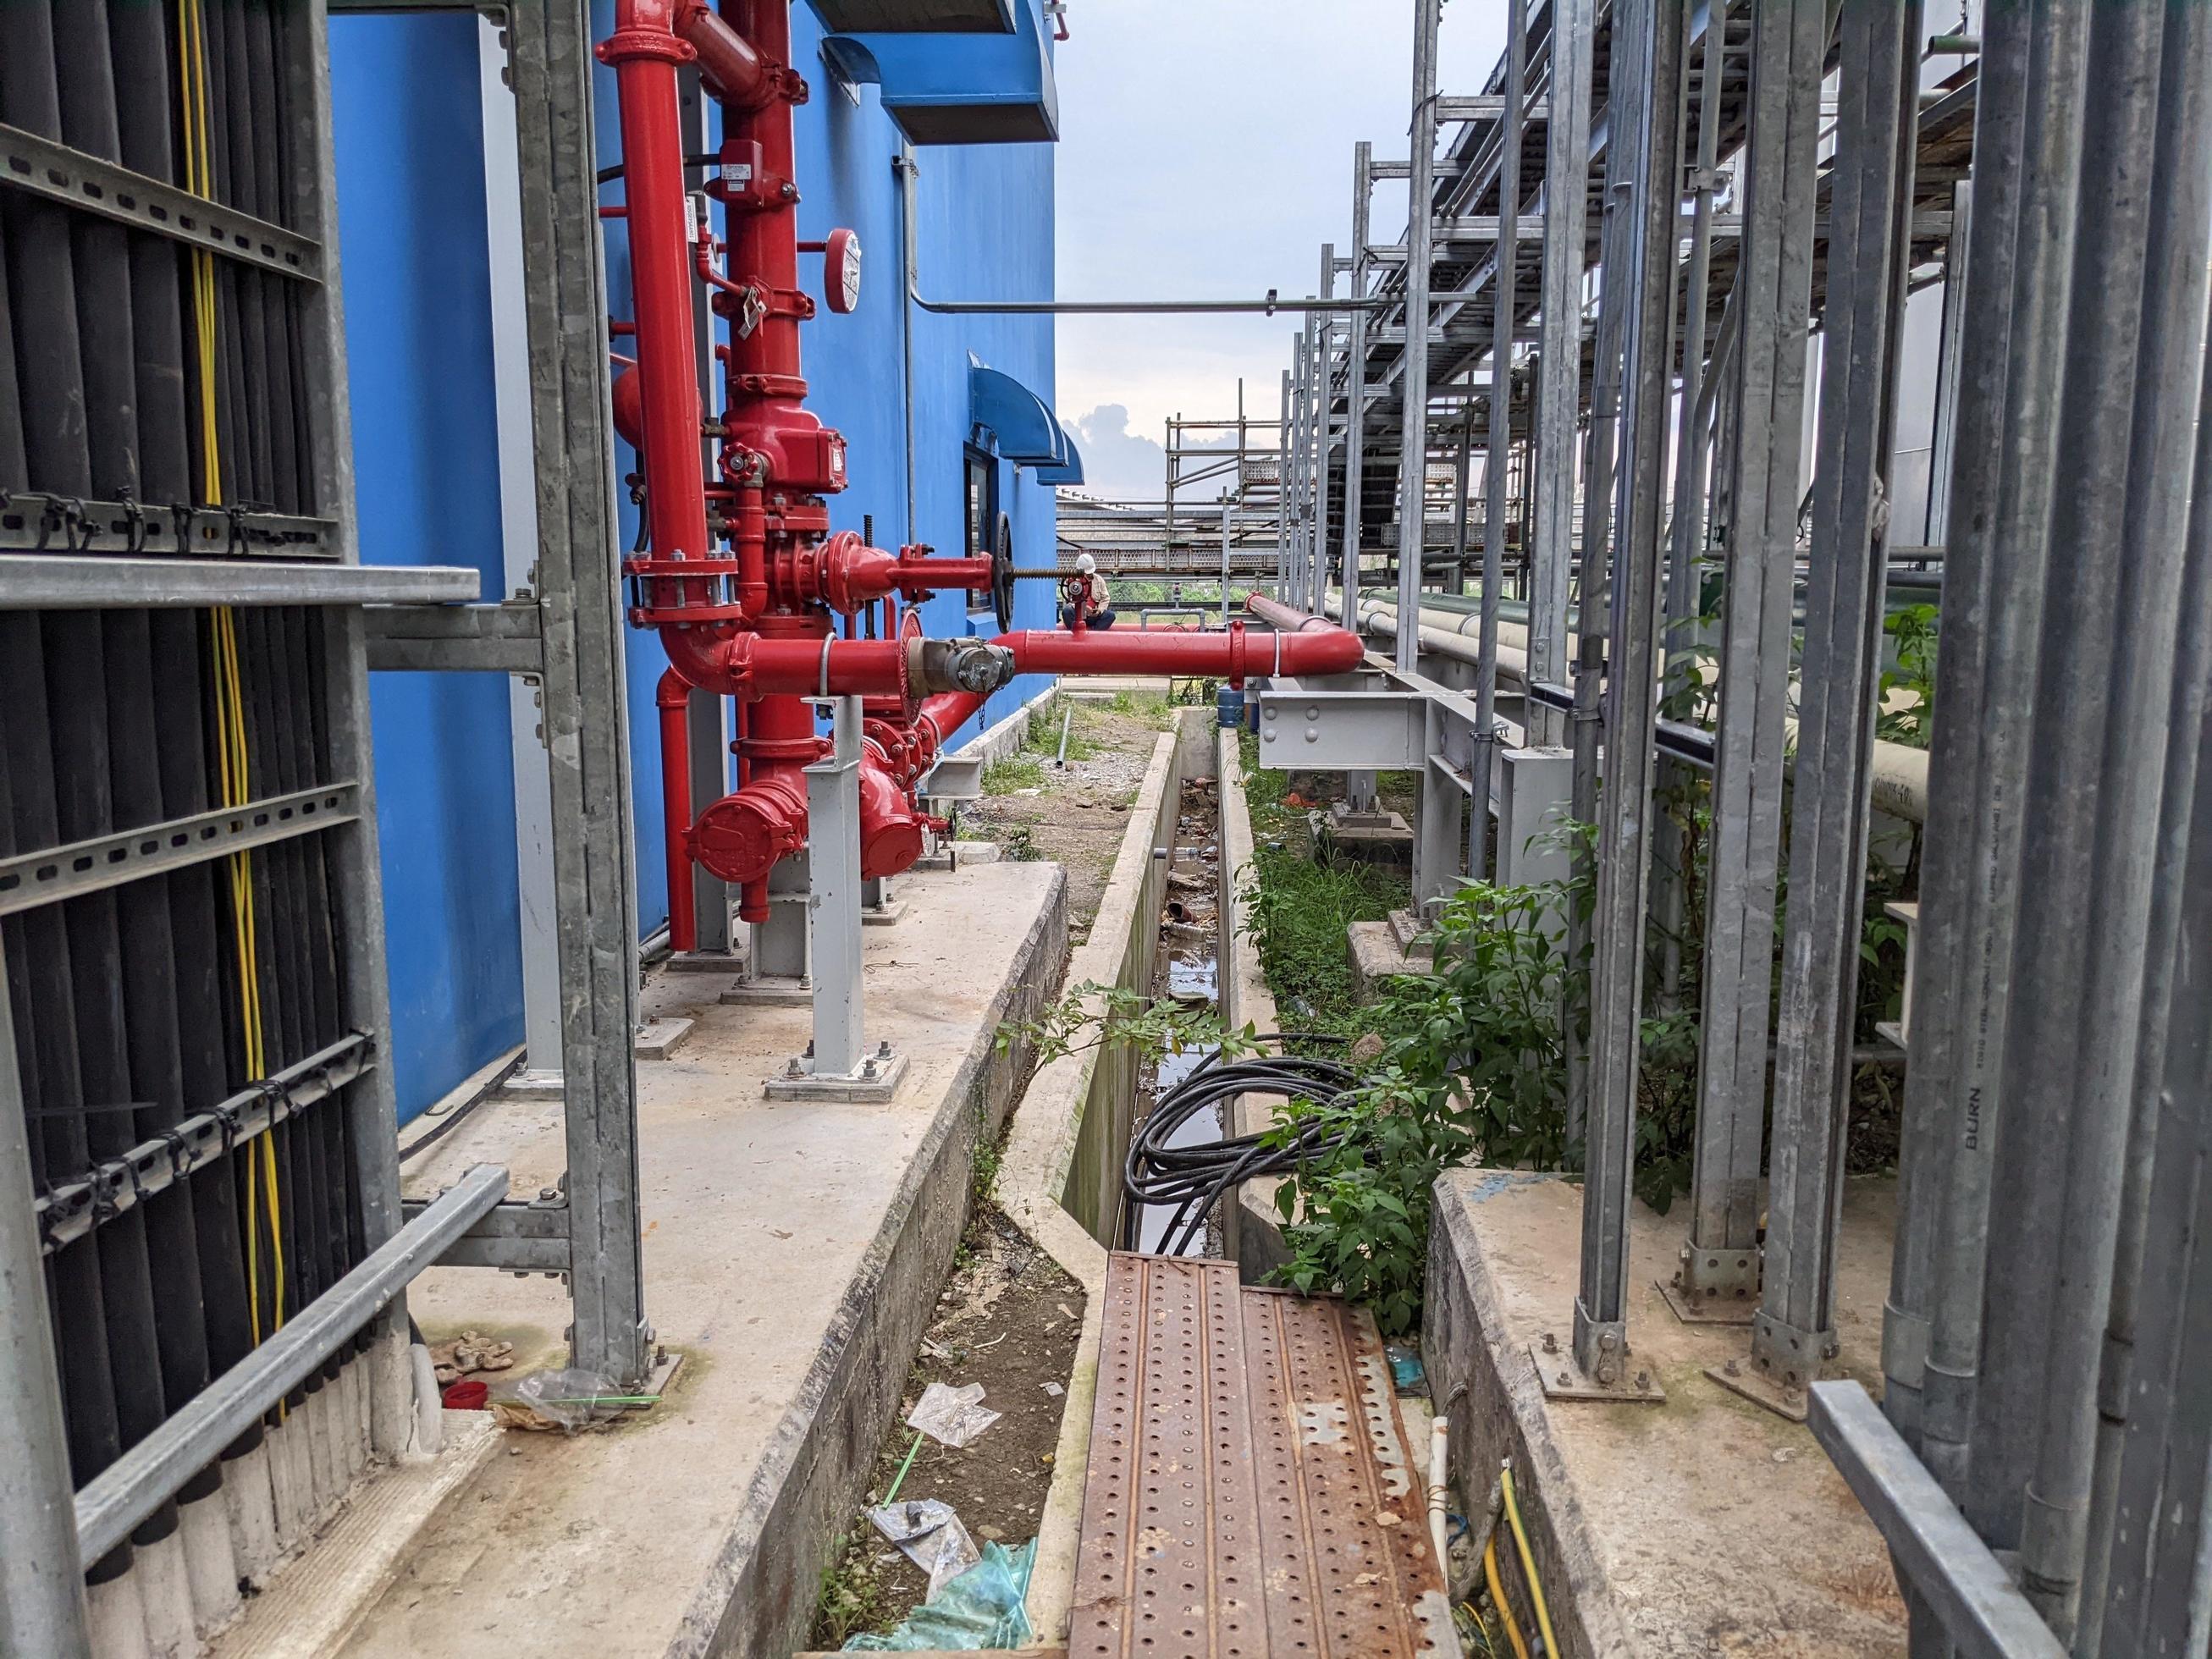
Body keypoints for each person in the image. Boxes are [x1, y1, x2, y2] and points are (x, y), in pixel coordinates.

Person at [1061, 552, 1116, 630]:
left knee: (1110, 615)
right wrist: (1083, 608)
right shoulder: (1072, 581)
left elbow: (1105, 598)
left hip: (1093, 616)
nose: (1088, 575)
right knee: (1067, 611)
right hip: (1077, 615)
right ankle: (1075, 631)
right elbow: (1068, 598)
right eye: (1086, 573)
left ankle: (1094, 633)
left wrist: (1099, 610)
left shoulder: (1099, 580)